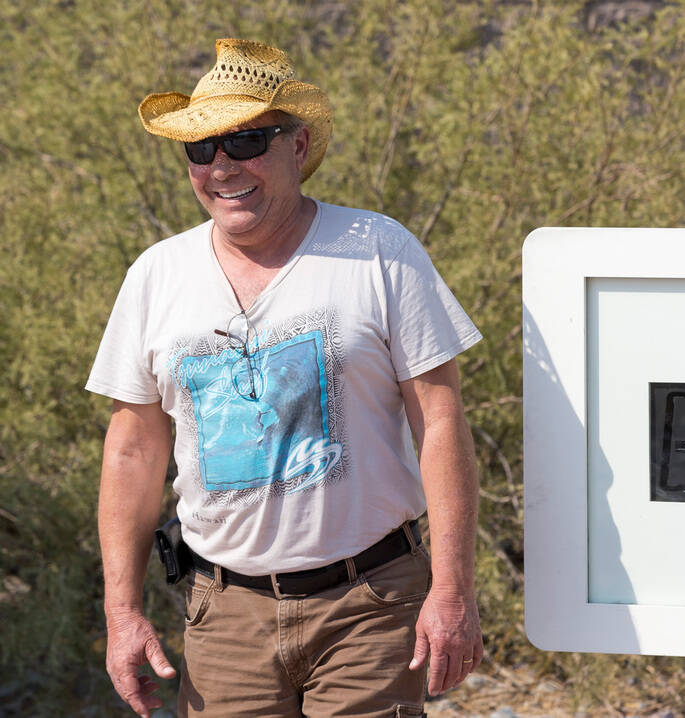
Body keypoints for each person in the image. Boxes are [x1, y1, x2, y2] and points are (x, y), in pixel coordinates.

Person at [87, 38, 483, 717]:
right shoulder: (157, 276)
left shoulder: (379, 252)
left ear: (296, 146)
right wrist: (120, 613)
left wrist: (453, 590)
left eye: (245, 142)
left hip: (371, 604)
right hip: (224, 614)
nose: (222, 166)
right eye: (202, 148)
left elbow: (440, 421)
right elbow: (133, 448)